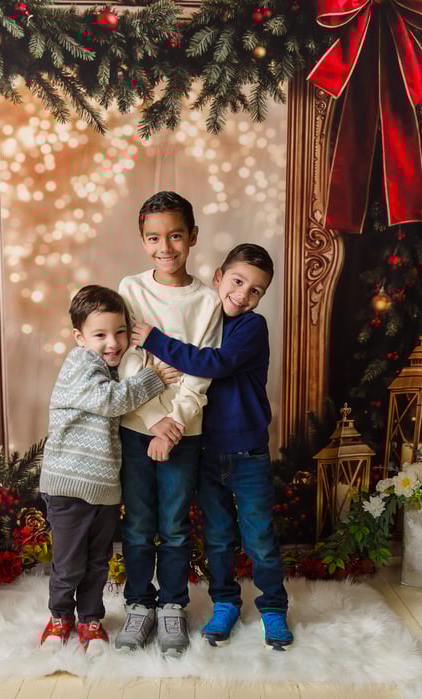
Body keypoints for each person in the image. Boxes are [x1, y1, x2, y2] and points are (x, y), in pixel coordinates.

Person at [131, 243, 293, 651]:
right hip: (206, 452)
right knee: (218, 537)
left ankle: (273, 607)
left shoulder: (251, 328)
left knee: (259, 538)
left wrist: (155, 340)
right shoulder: (203, 318)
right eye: (237, 282)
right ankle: (225, 603)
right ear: (218, 277)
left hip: (248, 453)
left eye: (255, 290)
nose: (242, 294)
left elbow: (212, 364)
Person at [38, 285, 179, 653]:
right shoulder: (80, 364)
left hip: (102, 489)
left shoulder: (111, 367)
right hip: (69, 485)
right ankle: (59, 617)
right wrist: (153, 378)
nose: (113, 343)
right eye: (100, 335)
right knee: (69, 563)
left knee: (98, 562)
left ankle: (90, 618)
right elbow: (109, 401)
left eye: (120, 332)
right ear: (79, 337)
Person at [114, 191, 223, 656]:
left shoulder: (208, 301)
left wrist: (174, 423)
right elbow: (126, 360)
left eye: (175, 236)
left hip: (185, 432)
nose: (165, 247)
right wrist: (155, 420)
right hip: (138, 426)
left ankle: (173, 604)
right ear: (143, 240)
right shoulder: (131, 290)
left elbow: (200, 372)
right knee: (139, 522)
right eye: (154, 238)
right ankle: (139, 604)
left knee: (176, 524)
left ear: (192, 237)